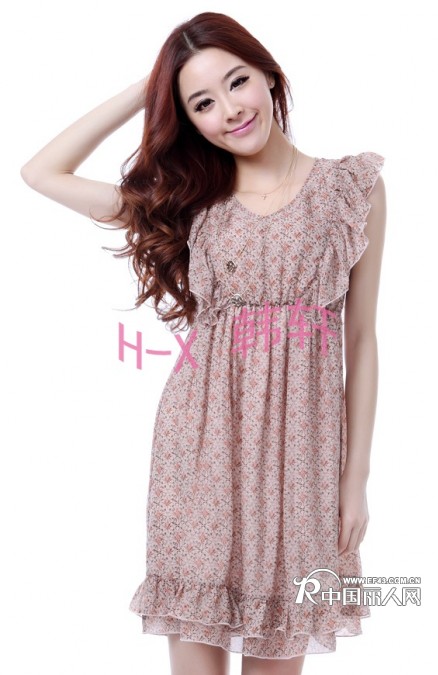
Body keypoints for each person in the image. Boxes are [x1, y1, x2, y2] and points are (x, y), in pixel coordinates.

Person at [20, 11, 387, 675]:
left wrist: (354, 478)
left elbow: (361, 337)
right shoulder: (189, 200)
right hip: (200, 452)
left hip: (302, 461)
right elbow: (42, 172)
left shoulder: (350, 189)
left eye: (237, 81)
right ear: (187, 120)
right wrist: (148, 88)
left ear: (270, 75)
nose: (229, 110)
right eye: (201, 103)